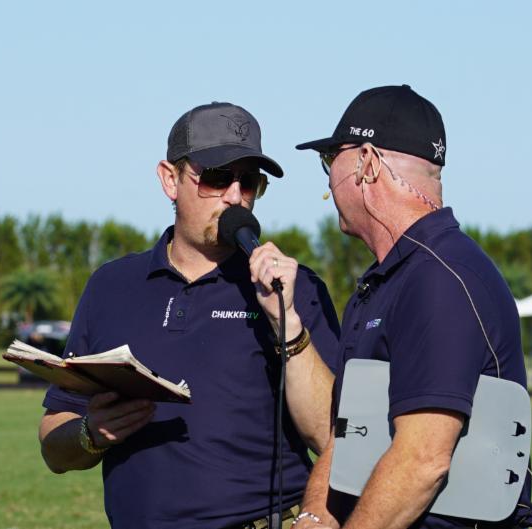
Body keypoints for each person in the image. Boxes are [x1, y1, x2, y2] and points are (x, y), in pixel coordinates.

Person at [38, 102, 340, 529]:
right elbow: (54, 445)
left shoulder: (293, 288)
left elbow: (334, 438)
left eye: (249, 182)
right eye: (217, 178)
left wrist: (286, 319)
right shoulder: (110, 286)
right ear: (170, 179)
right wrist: (90, 434)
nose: (235, 196)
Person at [291, 85, 532, 529]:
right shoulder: (387, 278)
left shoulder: (440, 278)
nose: (328, 177)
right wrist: (313, 517)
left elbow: (423, 461)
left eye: (332, 159)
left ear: (367, 163)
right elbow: (347, 438)